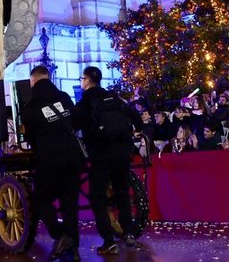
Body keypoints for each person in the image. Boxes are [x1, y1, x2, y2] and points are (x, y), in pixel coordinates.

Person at [21, 65, 84, 262]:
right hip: (72, 156)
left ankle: (60, 236)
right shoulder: (64, 97)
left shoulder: (30, 106)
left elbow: (30, 136)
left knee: (40, 200)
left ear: (33, 81)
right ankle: (73, 249)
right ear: (48, 78)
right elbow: (75, 121)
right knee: (69, 204)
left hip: (50, 157)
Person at [74, 65, 140, 255]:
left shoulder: (85, 101)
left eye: (82, 79)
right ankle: (128, 232)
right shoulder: (112, 97)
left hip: (102, 153)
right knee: (121, 191)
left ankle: (109, 241)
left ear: (87, 80)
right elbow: (134, 116)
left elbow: (74, 124)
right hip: (122, 151)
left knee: (98, 197)